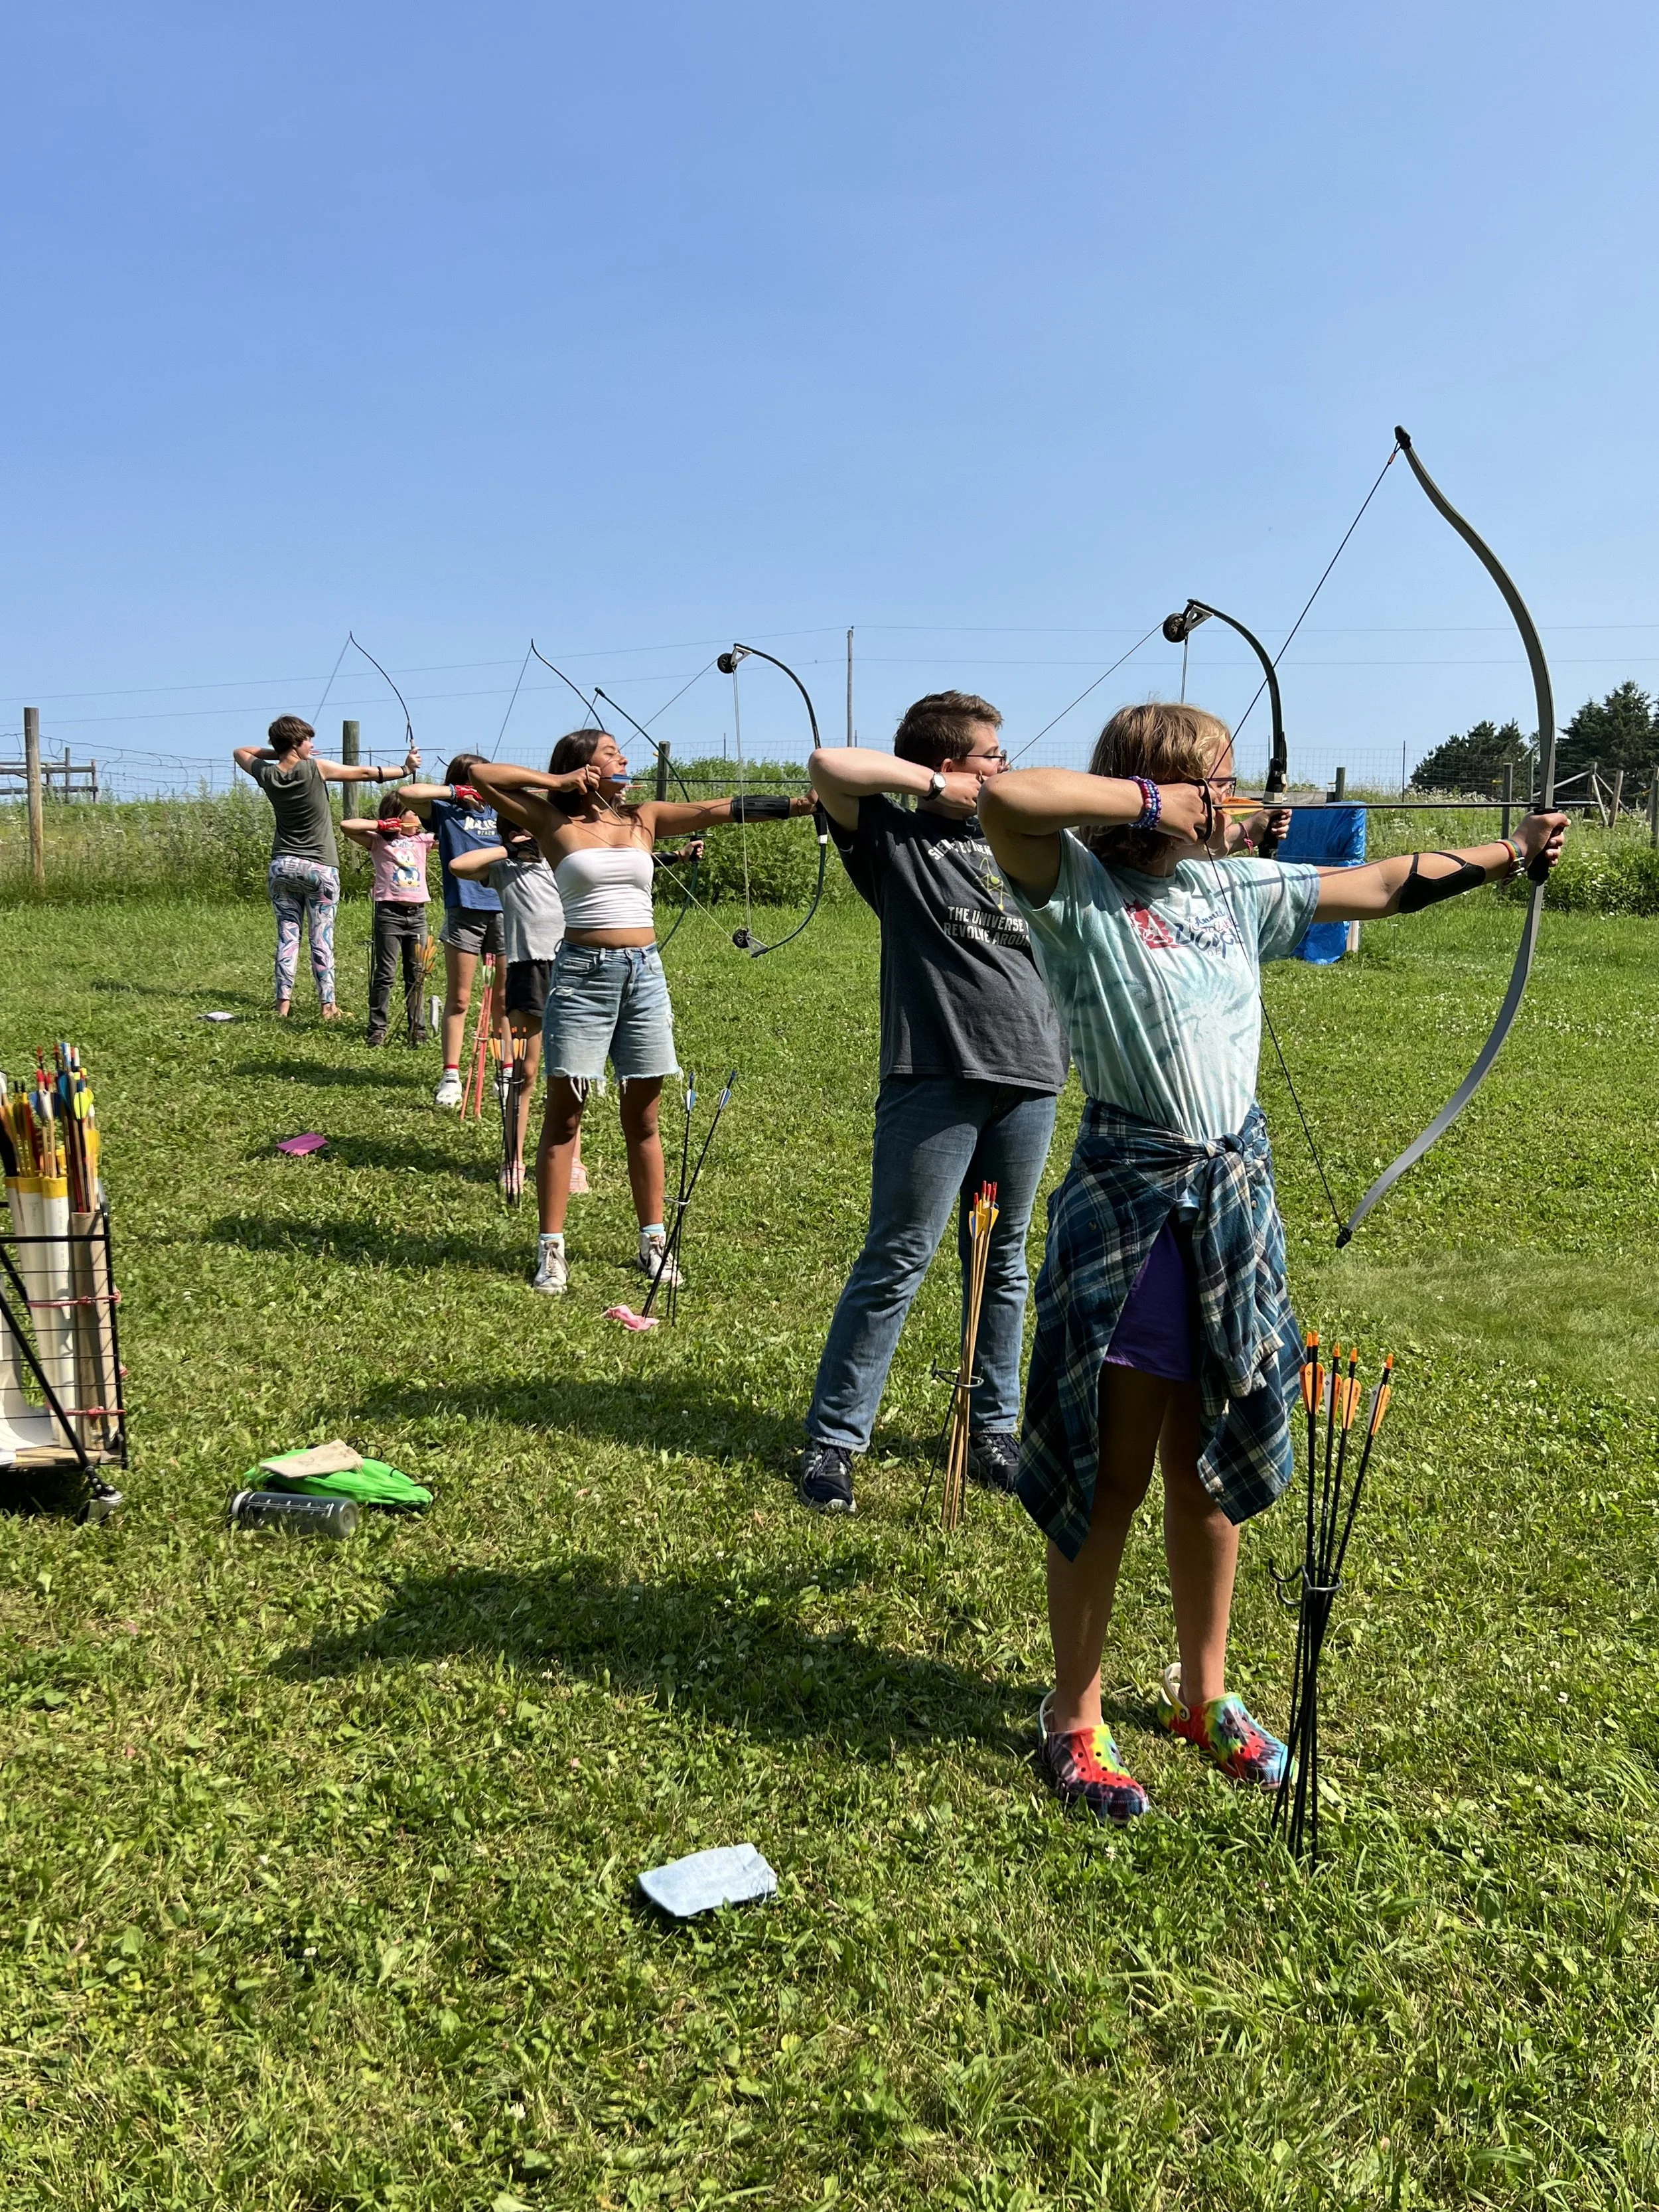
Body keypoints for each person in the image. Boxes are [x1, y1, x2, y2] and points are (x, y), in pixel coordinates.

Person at [977, 701, 1568, 1824]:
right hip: (1136, 1208)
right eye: (1220, 779)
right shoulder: (1080, 895)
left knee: (1212, 1470)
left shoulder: (1234, 890)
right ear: (1163, 787)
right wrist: (1156, 805)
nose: (1240, 796)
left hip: (1233, 1206)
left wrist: (1509, 854)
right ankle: (1075, 1716)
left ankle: (1204, 1695)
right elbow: (1008, 798)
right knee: (1114, 1474)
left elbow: (1387, 884)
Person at [795, 693, 1069, 1516]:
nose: (1005, 768)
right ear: (950, 767)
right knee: (898, 1256)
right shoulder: (894, 837)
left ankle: (994, 1430)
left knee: (1004, 1261)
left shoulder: (1023, 843)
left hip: (1030, 1076)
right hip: (935, 1075)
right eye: (992, 757)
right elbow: (826, 768)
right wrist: (927, 787)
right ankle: (835, 1442)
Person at [472, 730, 814, 1296]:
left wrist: (797, 806)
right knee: (566, 1112)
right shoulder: (550, 821)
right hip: (581, 974)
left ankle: (653, 1239)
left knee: (646, 1116)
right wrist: (556, 784)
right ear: (582, 767)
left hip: (645, 975)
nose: (624, 759)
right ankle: (551, 1248)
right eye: (611, 752)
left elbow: (721, 810)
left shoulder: (643, 817)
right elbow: (481, 778)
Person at [234, 714, 417, 1019]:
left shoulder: (267, 775)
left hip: (282, 866)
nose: (313, 745)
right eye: (308, 740)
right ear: (296, 742)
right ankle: (328, 1006)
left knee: (287, 935)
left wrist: (280, 754)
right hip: (320, 867)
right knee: (322, 938)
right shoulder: (316, 768)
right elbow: (364, 772)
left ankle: (283, 1006)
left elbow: (241, 752)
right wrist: (405, 768)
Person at [447, 822, 586, 1199]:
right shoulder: (505, 868)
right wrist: (512, 851)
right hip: (530, 970)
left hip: (573, 965)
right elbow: (459, 867)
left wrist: (681, 855)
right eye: (522, 830)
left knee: (573, 1072)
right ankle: (514, 1159)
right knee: (524, 1073)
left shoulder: (565, 861)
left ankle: (572, 1159)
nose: (534, 835)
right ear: (510, 835)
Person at [399, 755, 508, 1106]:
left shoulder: (501, 811)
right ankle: (451, 1077)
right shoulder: (446, 812)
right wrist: (456, 793)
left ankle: (504, 1072)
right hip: (464, 911)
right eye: (476, 780)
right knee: (459, 998)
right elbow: (406, 792)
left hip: (506, 910)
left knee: (504, 1002)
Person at [340, 795, 436, 1045]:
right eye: (412, 812)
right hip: (390, 915)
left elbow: (449, 834)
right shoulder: (379, 841)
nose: (418, 818)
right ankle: (377, 1029)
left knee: (416, 975)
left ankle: (418, 1029)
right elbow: (347, 826)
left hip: (417, 916)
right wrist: (382, 825)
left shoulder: (422, 840)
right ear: (397, 816)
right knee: (385, 974)